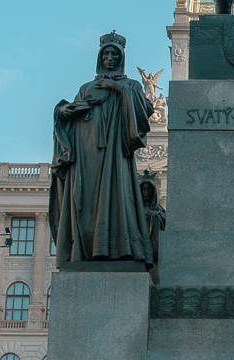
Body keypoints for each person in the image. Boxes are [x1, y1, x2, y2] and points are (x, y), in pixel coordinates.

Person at [49, 31, 155, 267]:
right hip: (86, 152)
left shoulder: (131, 85)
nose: (109, 58)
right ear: (99, 56)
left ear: (122, 57)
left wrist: (117, 88)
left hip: (116, 152)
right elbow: (71, 116)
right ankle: (85, 249)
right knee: (85, 199)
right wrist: (63, 112)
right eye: (105, 54)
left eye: (114, 54)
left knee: (119, 195)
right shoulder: (86, 88)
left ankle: (120, 248)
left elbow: (144, 111)